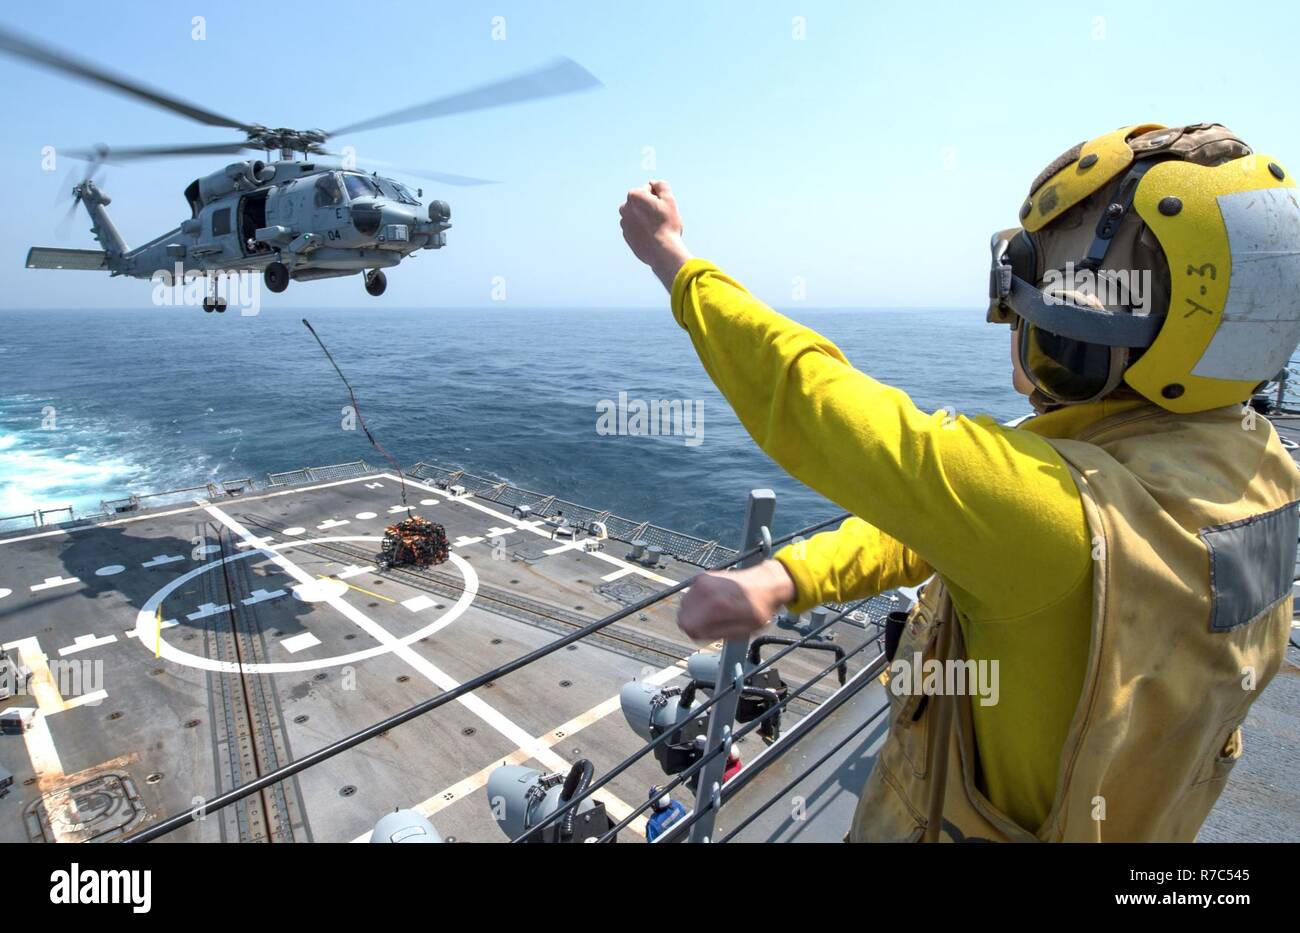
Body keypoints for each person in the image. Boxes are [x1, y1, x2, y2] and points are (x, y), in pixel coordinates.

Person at [618, 123, 1300, 842]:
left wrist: (672, 259)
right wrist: (792, 574)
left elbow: (812, 399)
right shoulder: (1263, 473)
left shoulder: (1048, 512)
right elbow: (964, 526)